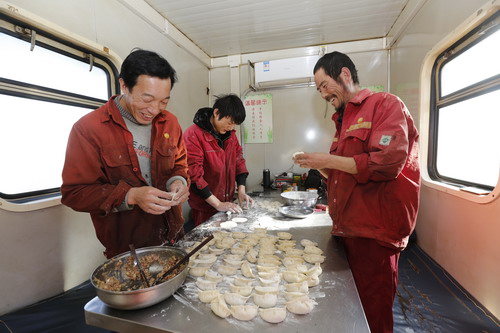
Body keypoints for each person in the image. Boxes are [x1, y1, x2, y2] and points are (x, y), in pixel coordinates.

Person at [294, 51, 420, 333]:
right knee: (351, 310)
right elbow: (347, 171)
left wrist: (326, 160)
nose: (323, 94)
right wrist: (318, 167)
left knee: (374, 312)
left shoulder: (385, 105)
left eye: (324, 85)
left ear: (345, 75)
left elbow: (387, 163)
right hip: (348, 230)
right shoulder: (343, 119)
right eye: (318, 90)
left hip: (374, 233)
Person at [61, 49, 189, 259]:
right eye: (147, 99)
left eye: (163, 101)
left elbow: (180, 165)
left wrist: (179, 181)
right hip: (127, 249)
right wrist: (131, 196)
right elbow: (74, 192)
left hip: (173, 234)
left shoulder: (170, 122)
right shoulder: (89, 129)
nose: (154, 109)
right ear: (123, 86)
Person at [184, 94, 254, 228]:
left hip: (226, 203)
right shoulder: (193, 135)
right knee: (207, 242)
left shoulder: (230, 136)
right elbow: (194, 176)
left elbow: (239, 161)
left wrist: (241, 190)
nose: (231, 127)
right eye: (229, 122)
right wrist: (217, 204)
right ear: (216, 113)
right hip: (205, 207)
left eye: (234, 124)